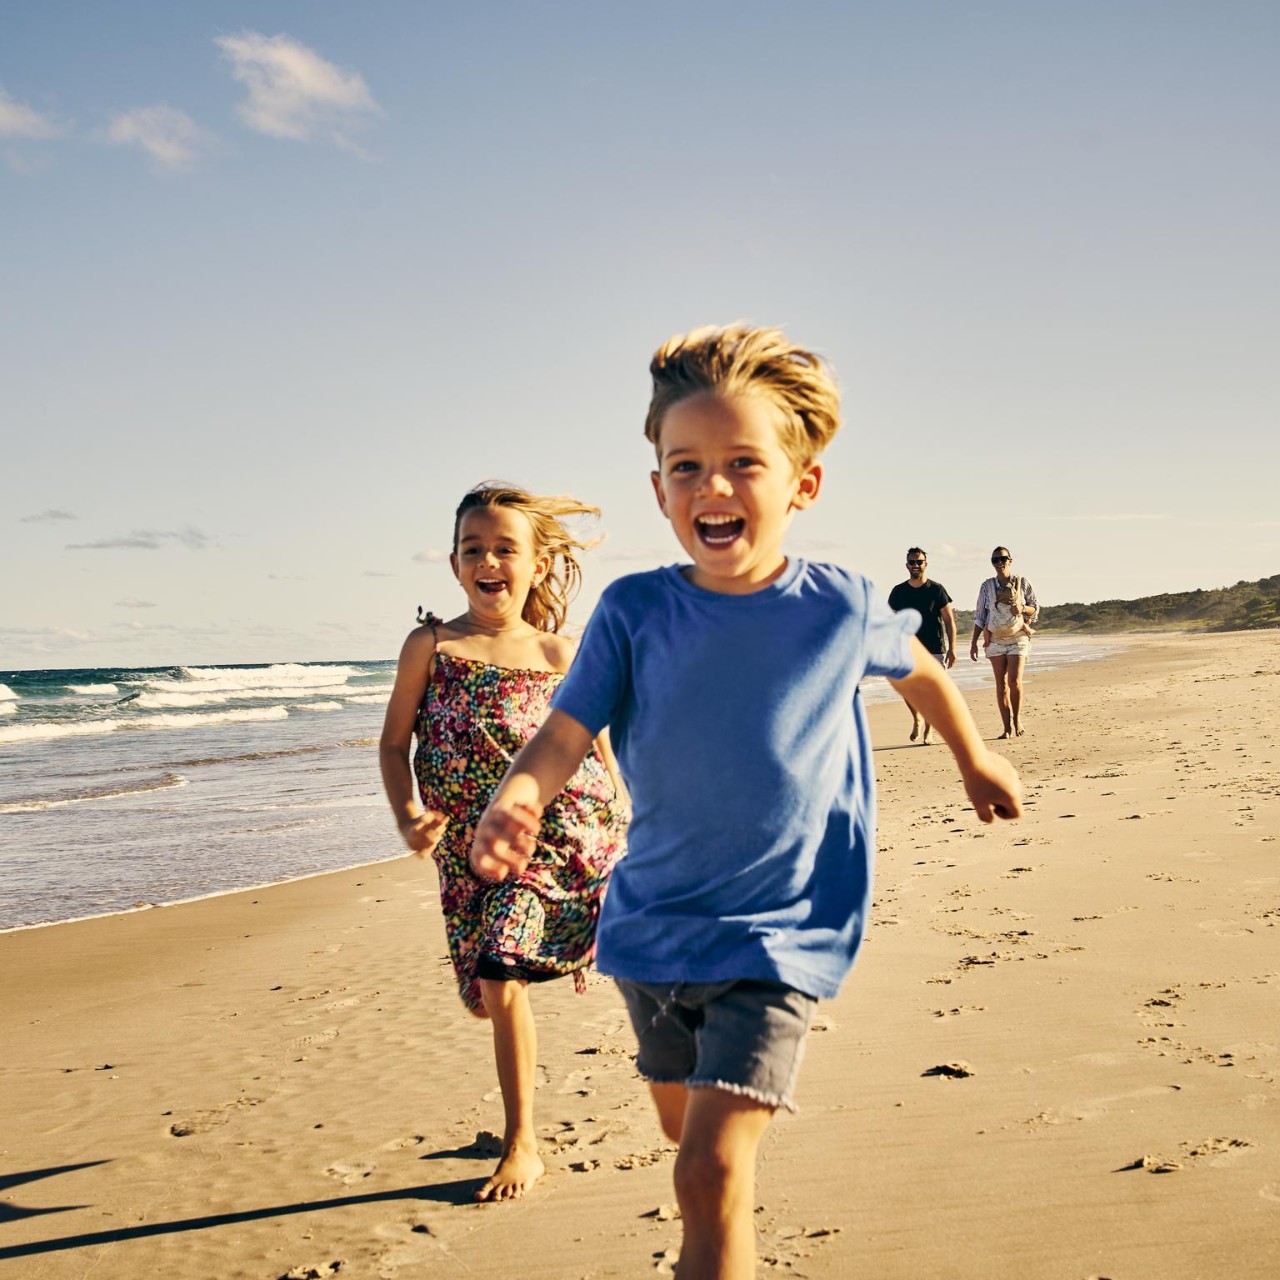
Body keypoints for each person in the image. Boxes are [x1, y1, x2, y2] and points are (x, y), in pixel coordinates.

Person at [469, 325, 1023, 1278]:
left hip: (780, 934)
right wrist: (517, 793)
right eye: (686, 467)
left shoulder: (837, 604)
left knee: (710, 1172)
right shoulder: (635, 611)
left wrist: (975, 759)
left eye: (742, 465)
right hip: (650, 934)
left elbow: (921, 667)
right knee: (696, 1165)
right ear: (658, 489)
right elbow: (565, 731)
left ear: (802, 484)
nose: (711, 489)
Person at [379, 483, 627, 1203]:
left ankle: (524, 1144)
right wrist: (408, 815)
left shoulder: (559, 651)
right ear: (455, 564)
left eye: (505, 548)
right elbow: (395, 746)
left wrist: (630, 815)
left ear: (538, 563)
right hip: (468, 852)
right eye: (473, 549)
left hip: (563, 835)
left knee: (500, 969)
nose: (488, 560)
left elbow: (601, 753)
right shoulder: (431, 646)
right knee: (488, 991)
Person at [887, 547, 957, 744]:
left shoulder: (937, 589)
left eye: (919, 562)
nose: (915, 565)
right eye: (912, 562)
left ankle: (928, 730)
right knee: (907, 688)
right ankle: (916, 718)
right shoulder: (898, 591)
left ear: (926, 564)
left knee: (932, 692)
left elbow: (949, 620)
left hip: (934, 647)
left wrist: (952, 648)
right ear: (907, 565)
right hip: (907, 649)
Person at [969, 545, 1039, 739]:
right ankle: (1006, 727)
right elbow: (980, 616)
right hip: (995, 640)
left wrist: (1022, 608)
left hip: (1018, 637)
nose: (999, 563)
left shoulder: (1022, 582)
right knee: (1001, 685)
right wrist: (974, 642)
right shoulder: (987, 586)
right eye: (995, 560)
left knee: (1014, 681)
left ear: (1010, 560)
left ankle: (1016, 720)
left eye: (1002, 559)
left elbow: (1035, 607)